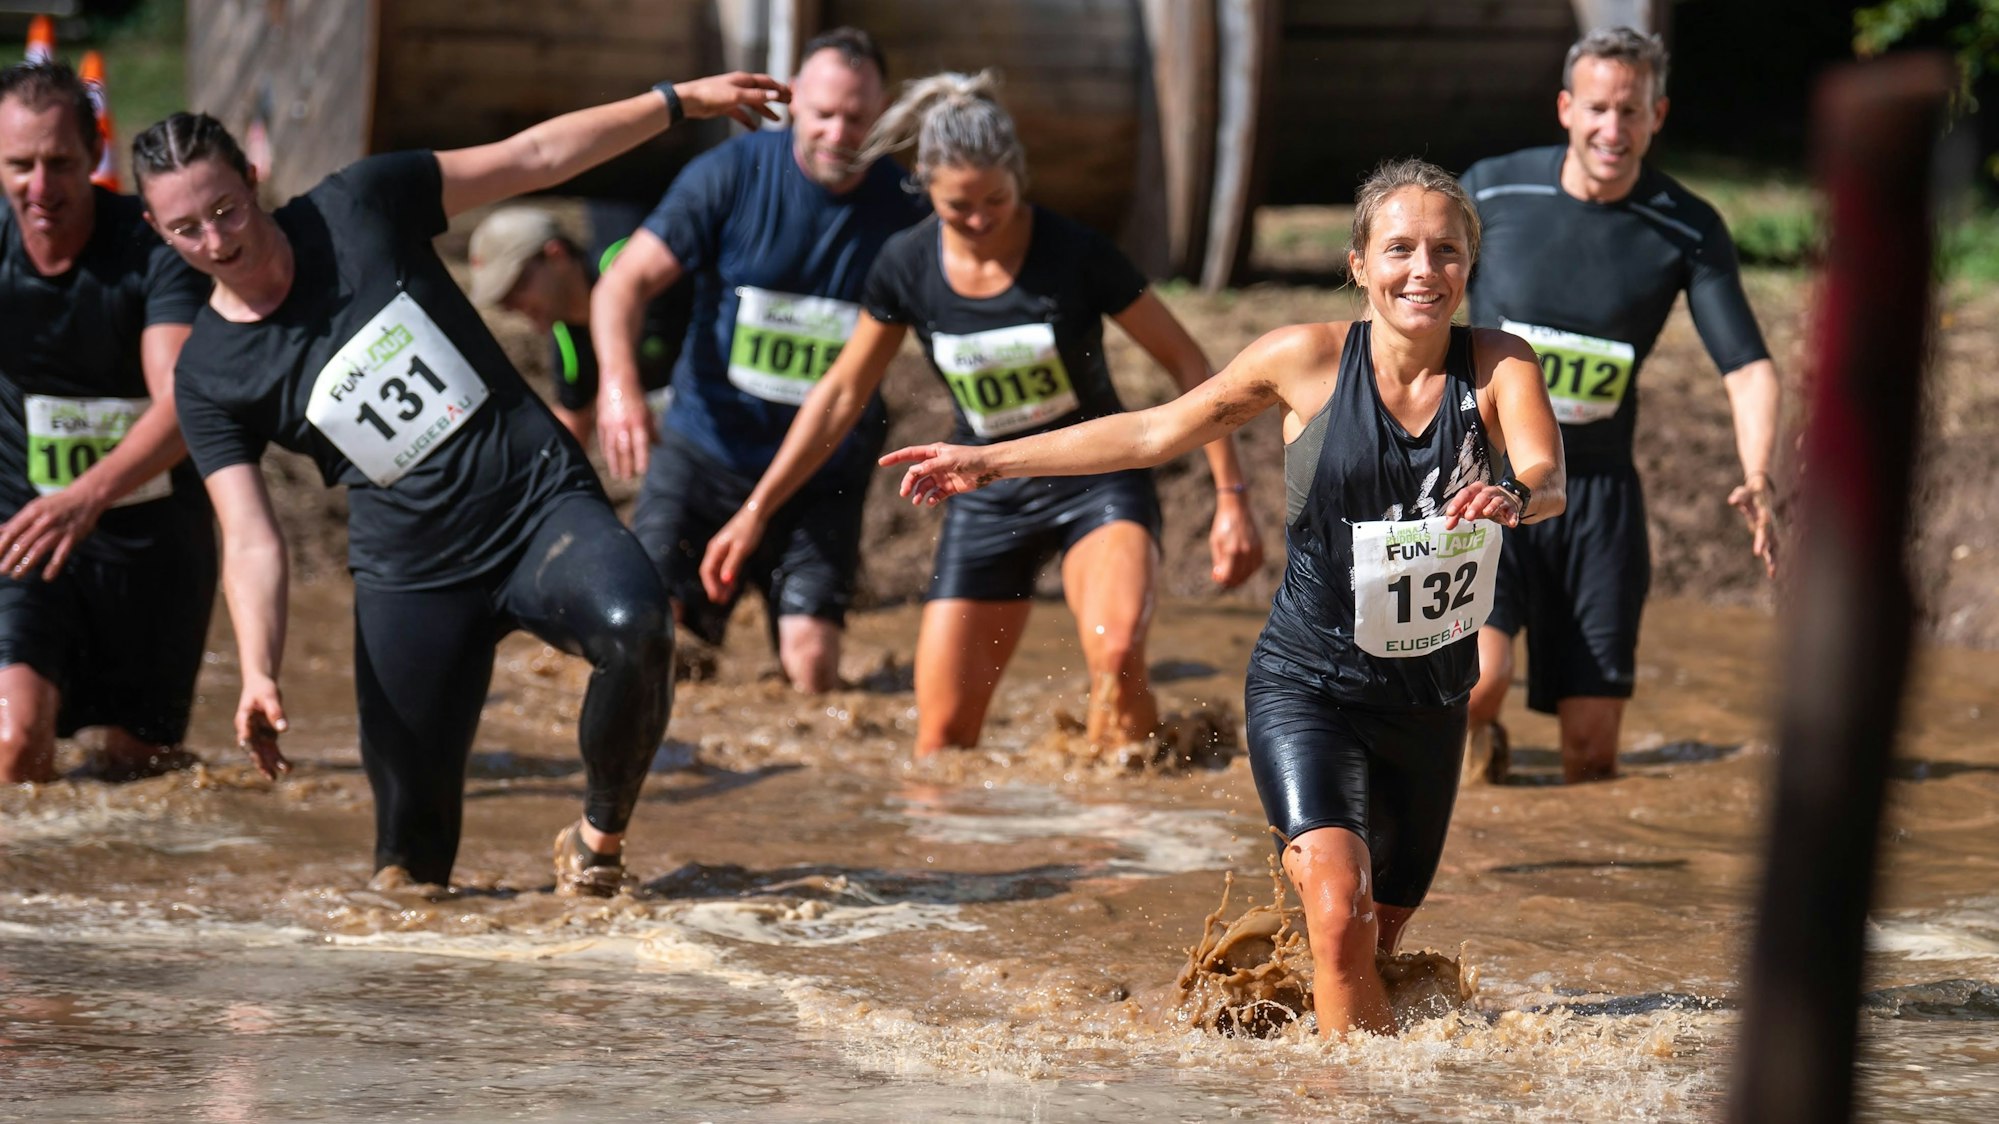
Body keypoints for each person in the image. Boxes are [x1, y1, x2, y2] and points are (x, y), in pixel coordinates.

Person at [880, 160, 1565, 1036]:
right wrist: (987, 460)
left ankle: (1276, 1015)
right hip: (1307, 687)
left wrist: (1516, 495)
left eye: (1445, 251)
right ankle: (1348, 1102)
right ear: (1359, 263)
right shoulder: (1303, 359)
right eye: (1398, 250)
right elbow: (1155, 431)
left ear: (1470, 265)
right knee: (1338, 910)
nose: (1422, 271)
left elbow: (1548, 472)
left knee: (1375, 940)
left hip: (1430, 701)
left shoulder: (1500, 363)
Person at [132, 71, 788, 892]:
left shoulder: (361, 204)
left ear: (253, 181)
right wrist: (260, 669)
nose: (218, 240)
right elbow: (252, 535)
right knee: (408, 873)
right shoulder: (209, 372)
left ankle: (596, 843)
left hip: (535, 507)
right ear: (161, 234)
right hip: (412, 578)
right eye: (187, 229)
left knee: (639, 628)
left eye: (226, 209)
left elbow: (535, 154)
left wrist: (678, 103)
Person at [701, 71, 1264, 755]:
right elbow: (841, 395)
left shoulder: (1076, 253)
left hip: (1095, 480)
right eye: (956, 206)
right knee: (939, 744)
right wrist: (756, 510)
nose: (978, 220)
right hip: (983, 486)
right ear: (926, 190)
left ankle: (1122, 834)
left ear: (1018, 180)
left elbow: (1190, 365)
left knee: (1115, 658)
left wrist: (1229, 497)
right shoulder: (905, 266)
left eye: (994, 200)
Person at [1458, 27, 1780, 784]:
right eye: (1597, 108)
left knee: (1591, 753)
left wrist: (1758, 473)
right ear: (1566, 108)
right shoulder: (1491, 190)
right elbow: (1410, 297)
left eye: (1630, 111)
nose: (1612, 129)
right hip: (1482, 479)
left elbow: (1748, 368)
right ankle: (1467, 792)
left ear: (1656, 115)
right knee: (1480, 682)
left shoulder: (1686, 225)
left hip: (1595, 495)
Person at [590, 27, 925, 693]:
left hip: (821, 470)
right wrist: (620, 388)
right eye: (824, 114)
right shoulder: (730, 175)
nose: (838, 133)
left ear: (882, 115)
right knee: (645, 636)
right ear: (794, 101)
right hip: (703, 450)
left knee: (813, 672)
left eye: (856, 118)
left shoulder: (906, 209)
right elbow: (621, 284)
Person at [0, 61, 214, 784]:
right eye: (19, 165)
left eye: (59, 163)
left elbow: (183, 403)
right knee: (14, 743)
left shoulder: (150, 251)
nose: (39, 187)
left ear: (95, 152)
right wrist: (59, 507)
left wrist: (87, 496)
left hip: (154, 544)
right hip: (25, 531)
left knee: (140, 771)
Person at [465, 201, 689, 450]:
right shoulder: (569, 345)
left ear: (556, 255)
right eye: (503, 301)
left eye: (518, 285)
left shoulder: (632, 264)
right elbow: (570, 431)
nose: (514, 306)